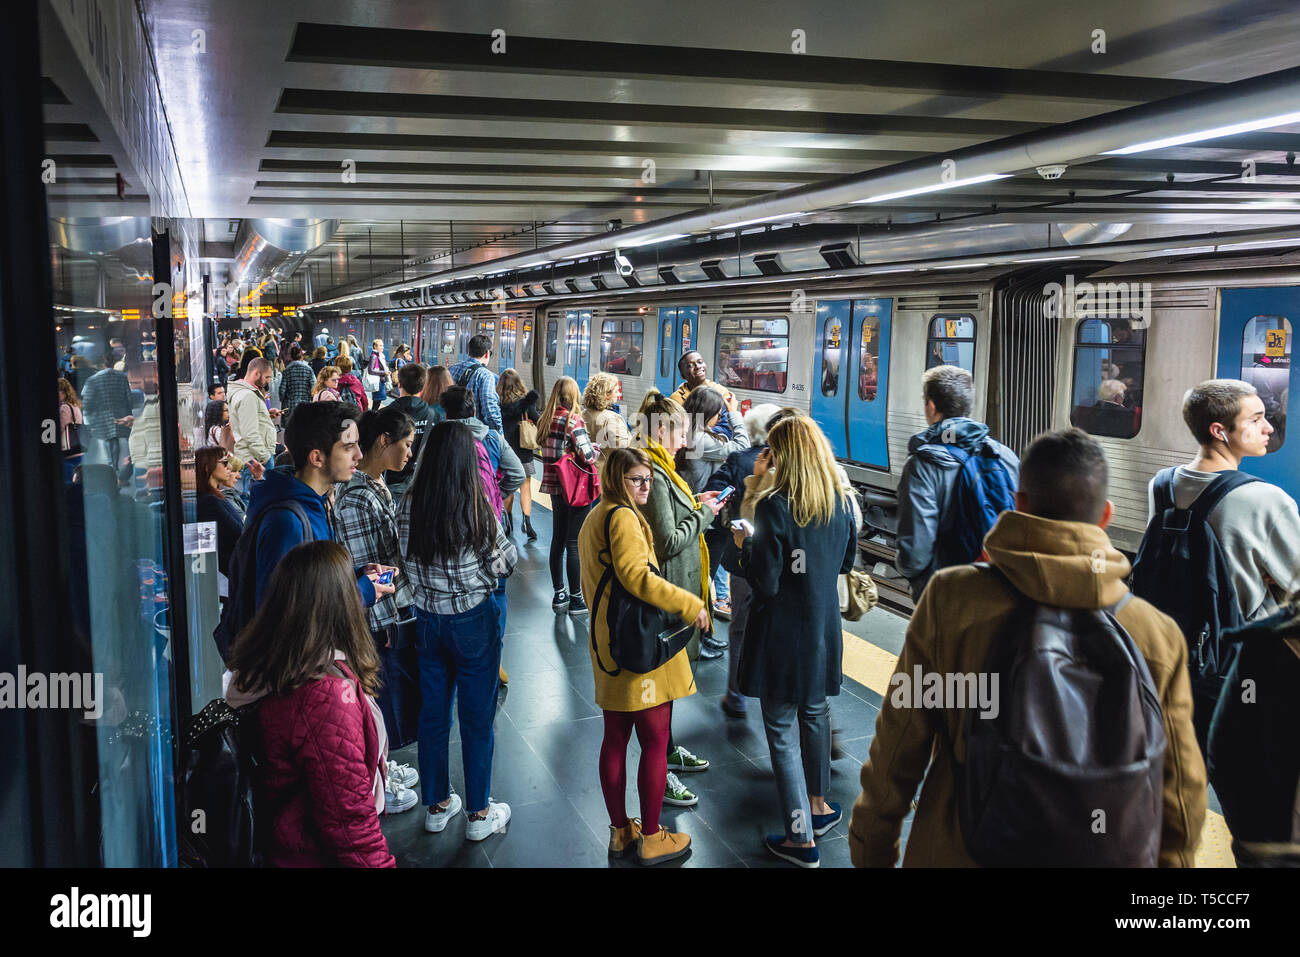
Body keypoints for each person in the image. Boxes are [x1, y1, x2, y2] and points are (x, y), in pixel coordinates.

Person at [848, 428, 1207, 867]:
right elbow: (1181, 790)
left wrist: (872, 851)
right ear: (1106, 516)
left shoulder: (953, 599)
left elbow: (899, 743)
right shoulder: (1155, 633)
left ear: (1018, 504)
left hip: (961, 850)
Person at [1135, 379, 1300, 745]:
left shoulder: (1161, 485)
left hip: (1171, 657)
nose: (1269, 427)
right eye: (1256, 419)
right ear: (1219, 431)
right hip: (1241, 669)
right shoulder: (1264, 500)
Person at [731, 415, 858, 867]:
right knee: (816, 713)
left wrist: (743, 545)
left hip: (782, 637)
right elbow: (846, 562)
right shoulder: (841, 503)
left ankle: (800, 839)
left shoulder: (773, 507)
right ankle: (819, 808)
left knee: (782, 733)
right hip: (823, 631)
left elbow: (764, 582)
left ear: (785, 457)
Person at [224, 541, 400, 866]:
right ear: (339, 604)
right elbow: (350, 824)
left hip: (283, 844)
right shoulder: (325, 696)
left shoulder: (272, 665)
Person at [579, 447, 710, 864]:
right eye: (637, 479)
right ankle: (653, 837)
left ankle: (621, 833)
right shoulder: (623, 519)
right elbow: (638, 577)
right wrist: (689, 604)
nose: (644, 487)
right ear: (618, 480)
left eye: (648, 480)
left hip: (609, 646)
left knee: (615, 739)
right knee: (655, 742)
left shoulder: (595, 517)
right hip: (637, 651)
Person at [399, 422, 518, 841]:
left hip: (427, 619)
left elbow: (404, 560)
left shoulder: (409, 503)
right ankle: (480, 814)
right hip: (472, 621)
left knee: (433, 712)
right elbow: (505, 562)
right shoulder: (476, 504)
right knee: (476, 715)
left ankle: (437, 805)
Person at [235, 401, 394, 647]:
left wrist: (354, 574)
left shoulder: (314, 503)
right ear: (317, 457)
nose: (359, 456)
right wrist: (360, 591)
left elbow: (309, 581)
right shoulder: (287, 522)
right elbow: (284, 613)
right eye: (349, 447)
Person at [636, 389, 724, 806]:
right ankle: (661, 768)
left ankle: (668, 751)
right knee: (660, 690)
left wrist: (696, 503)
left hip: (674, 595)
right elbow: (667, 540)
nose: (686, 439)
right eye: (682, 431)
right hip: (666, 598)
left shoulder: (661, 465)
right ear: (665, 429)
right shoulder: (651, 470)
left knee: (668, 687)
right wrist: (704, 514)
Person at [334, 407, 420, 756]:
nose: (410, 453)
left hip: (387, 615)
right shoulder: (357, 498)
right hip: (378, 622)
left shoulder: (375, 484)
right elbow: (369, 571)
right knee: (386, 704)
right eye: (407, 444)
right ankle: (386, 767)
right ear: (385, 441)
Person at [895, 364, 1019, 600]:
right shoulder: (1004, 456)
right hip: (1000, 588)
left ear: (931, 406)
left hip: (947, 593)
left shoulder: (923, 464)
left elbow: (915, 552)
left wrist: (914, 578)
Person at [706, 404, 791, 716]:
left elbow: (715, 490)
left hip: (745, 558)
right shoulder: (804, 468)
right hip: (787, 564)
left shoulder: (741, 459)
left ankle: (736, 694)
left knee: (741, 626)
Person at [538, 376, 599, 615]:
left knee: (558, 540)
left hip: (554, 487)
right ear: (574, 396)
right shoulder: (573, 420)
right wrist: (594, 449)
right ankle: (576, 599)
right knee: (575, 543)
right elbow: (587, 456)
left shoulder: (546, 418)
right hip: (574, 488)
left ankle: (559, 594)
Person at [498, 368, 541, 540]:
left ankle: (508, 522)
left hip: (505, 450)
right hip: (523, 450)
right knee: (526, 486)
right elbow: (538, 420)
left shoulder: (497, 402)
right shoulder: (526, 403)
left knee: (508, 487)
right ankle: (527, 523)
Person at [80, 351, 134, 482]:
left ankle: (112, 469)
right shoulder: (121, 377)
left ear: (101, 363)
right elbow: (129, 397)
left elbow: (87, 402)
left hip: (101, 418)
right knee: (119, 444)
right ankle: (117, 470)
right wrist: (129, 414)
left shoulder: (92, 380)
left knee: (108, 442)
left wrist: (87, 420)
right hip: (120, 414)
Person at [228, 357, 280, 496]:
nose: (269, 381)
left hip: (252, 454)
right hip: (256, 457)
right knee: (259, 497)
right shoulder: (248, 396)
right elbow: (249, 432)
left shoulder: (244, 392)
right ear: (256, 373)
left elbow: (246, 421)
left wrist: (266, 415)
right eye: (267, 377)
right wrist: (265, 456)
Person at [384, 362, 435, 499]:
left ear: (399, 384)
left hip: (391, 479)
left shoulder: (385, 414)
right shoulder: (432, 414)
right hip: (421, 479)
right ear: (423, 387)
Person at [195, 447, 244, 579]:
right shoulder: (208, 502)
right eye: (224, 462)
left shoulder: (214, 497)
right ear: (207, 467)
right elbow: (239, 532)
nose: (229, 466)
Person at [672, 350, 739, 439]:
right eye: (690, 365)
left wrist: (704, 437)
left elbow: (728, 427)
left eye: (700, 362)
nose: (697, 367)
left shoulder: (722, 392)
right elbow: (675, 430)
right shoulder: (676, 400)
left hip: (716, 446)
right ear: (682, 375)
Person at [448, 334, 502, 434]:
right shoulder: (486, 376)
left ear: (469, 352)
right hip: (473, 432)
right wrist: (498, 433)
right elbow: (490, 408)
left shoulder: (452, 369)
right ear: (487, 353)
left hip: (451, 428)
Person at [582, 372, 631, 468]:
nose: (619, 394)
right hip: (605, 475)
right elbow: (625, 451)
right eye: (616, 391)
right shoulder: (612, 419)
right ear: (606, 395)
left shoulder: (582, 414)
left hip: (585, 473)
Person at [278, 344, 315, 421]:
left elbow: (282, 390)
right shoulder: (308, 369)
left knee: (292, 427)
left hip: (291, 404)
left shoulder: (287, 370)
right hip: (306, 403)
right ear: (301, 356)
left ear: (291, 356)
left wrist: (283, 400)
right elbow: (314, 386)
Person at [58, 377, 84, 461]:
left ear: (63, 392)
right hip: (78, 448)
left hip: (69, 451)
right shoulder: (75, 405)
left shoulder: (64, 407)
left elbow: (61, 428)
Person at [365, 339, 391, 405]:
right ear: (375, 346)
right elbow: (370, 371)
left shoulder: (379, 356)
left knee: (377, 402)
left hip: (380, 381)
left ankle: (373, 414)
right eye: (380, 345)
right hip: (377, 382)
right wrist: (384, 372)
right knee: (376, 402)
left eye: (383, 345)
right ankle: (373, 415)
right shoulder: (374, 356)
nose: (382, 347)